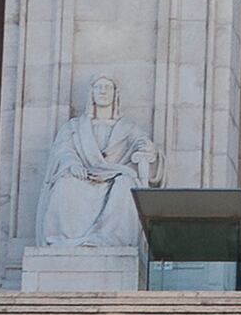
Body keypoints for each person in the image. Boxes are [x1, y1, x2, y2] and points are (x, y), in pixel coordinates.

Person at [36, 72, 156, 256]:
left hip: (115, 175)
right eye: (98, 87)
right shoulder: (75, 126)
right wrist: (72, 164)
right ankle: (67, 240)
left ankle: (107, 238)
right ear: (91, 93)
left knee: (126, 185)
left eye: (108, 87)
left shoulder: (127, 127)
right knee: (64, 183)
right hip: (83, 175)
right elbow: (63, 151)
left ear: (115, 94)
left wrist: (146, 149)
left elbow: (143, 144)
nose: (103, 91)